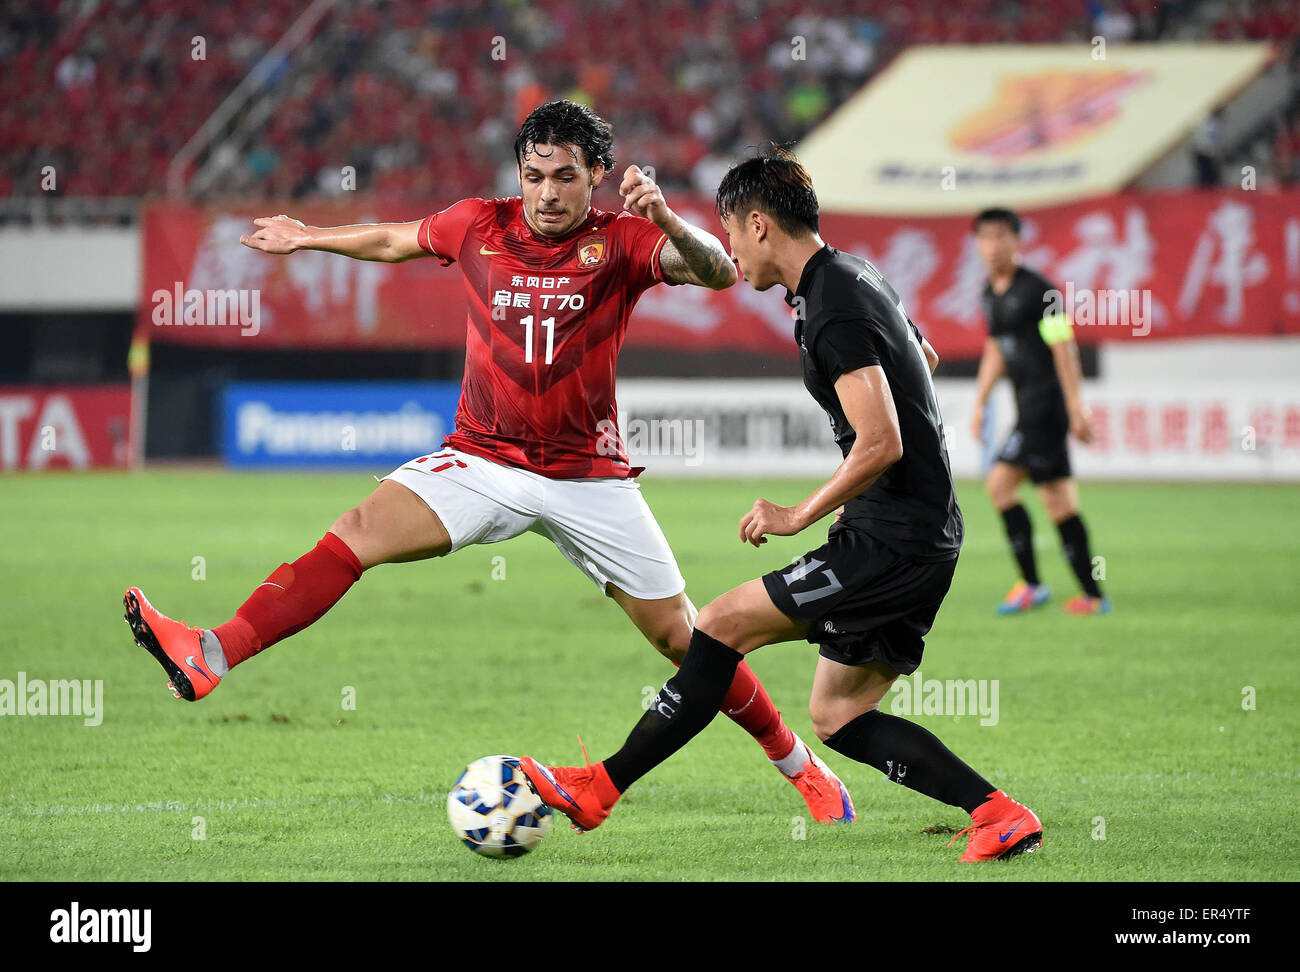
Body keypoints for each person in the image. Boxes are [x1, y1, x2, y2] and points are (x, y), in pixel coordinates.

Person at [122, 102, 854, 824]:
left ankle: (799, 765)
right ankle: (212, 652)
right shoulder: (478, 223)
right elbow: (391, 240)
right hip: (482, 458)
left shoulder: (623, 240)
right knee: (356, 531)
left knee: (684, 639)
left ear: (597, 175)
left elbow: (721, 271)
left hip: (588, 478)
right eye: (534, 176)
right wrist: (308, 236)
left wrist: (663, 217)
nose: (547, 193)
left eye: (566, 176)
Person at [520, 147, 1042, 862]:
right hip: (922, 530)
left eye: (731, 232)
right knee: (838, 712)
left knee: (722, 623)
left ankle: (601, 788)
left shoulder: (830, 307)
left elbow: (881, 440)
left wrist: (798, 515)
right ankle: (996, 811)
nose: (731, 252)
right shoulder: (854, 275)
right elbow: (924, 358)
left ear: (760, 225)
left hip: (891, 537)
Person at [970, 207, 1110, 616]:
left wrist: (1075, 407)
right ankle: (1090, 594)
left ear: (1017, 240)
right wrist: (980, 402)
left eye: (1001, 236)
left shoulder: (1039, 291)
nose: (993, 245)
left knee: (1002, 485)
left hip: (1045, 409)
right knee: (1059, 502)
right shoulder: (988, 293)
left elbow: (1063, 346)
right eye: (986, 237)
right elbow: (996, 349)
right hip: (1027, 409)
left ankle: (1039, 587)